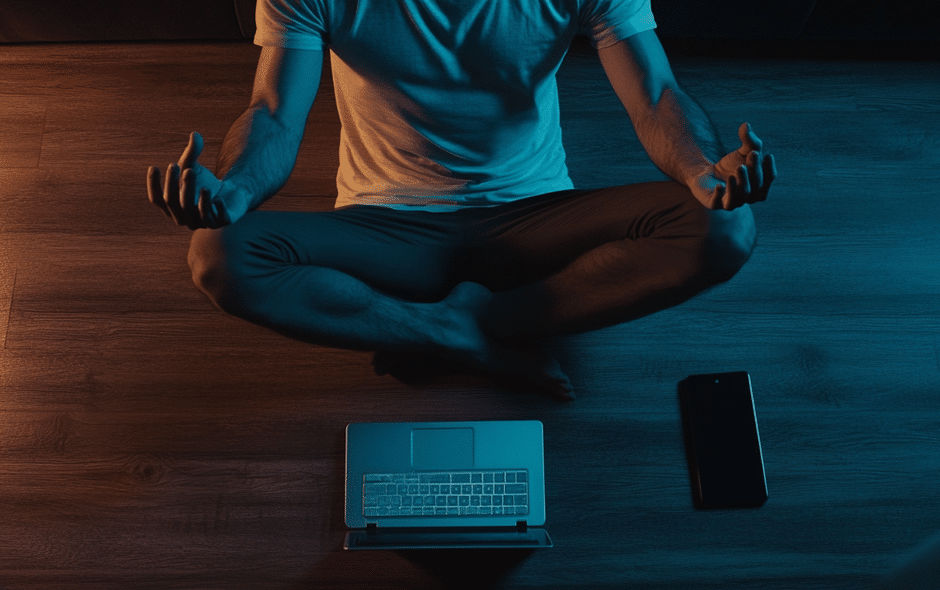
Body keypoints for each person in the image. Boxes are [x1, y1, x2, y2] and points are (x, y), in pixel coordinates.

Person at [147, 0, 776, 401]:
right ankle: (466, 333)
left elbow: (657, 95)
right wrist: (238, 187)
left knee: (724, 229)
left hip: (533, 216)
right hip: (387, 222)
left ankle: (439, 330)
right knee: (219, 255)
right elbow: (275, 112)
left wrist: (701, 171)